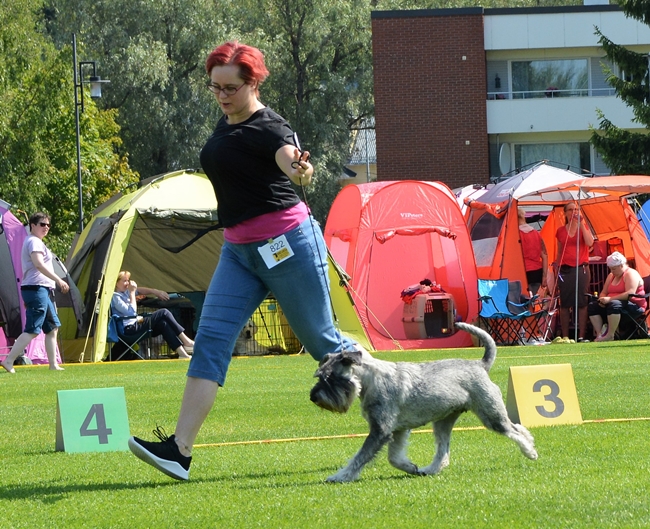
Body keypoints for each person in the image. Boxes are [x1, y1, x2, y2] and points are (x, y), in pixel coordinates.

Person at [127, 41, 362, 480]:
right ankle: (179, 451)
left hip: (287, 245)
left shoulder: (272, 127)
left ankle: (398, 401)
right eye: (215, 87)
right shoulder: (225, 123)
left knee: (323, 345)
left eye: (230, 88)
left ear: (253, 83)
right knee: (210, 342)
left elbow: (295, 164)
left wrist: (302, 169)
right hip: (238, 252)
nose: (221, 95)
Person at [1, 212, 69, 373]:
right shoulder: (33, 241)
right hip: (36, 288)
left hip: (41, 290)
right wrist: (58, 280)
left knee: (52, 327)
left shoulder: (37, 242)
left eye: (48, 225)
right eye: (42, 224)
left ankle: (53, 364)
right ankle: (9, 360)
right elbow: (38, 264)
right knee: (33, 329)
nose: (46, 227)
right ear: (33, 225)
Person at [111, 271, 194, 359]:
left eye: (128, 280)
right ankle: (186, 341)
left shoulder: (125, 292)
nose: (128, 283)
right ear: (116, 283)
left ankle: (182, 354)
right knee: (164, 312)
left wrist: (155, 291)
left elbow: (139, 290)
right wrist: (132, 293)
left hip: (135, 324)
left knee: (163, 324)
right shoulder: (115, 297)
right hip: (128, 329)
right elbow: (132, 312)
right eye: (124, 281)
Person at [553, 202, 594, 343]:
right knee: (564, 303)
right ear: (565, 213)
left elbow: (590, 243)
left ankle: (581, 335)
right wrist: (556, 267)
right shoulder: (560, 231)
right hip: (565, 269)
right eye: (570, 210)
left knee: (582, 301)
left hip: (581, 268)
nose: (573, 212)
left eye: (576, 209)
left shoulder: (583, 228)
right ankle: (565, 335)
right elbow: (559, 251)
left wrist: (581, 224)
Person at [587, 252, 646, 342]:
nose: (612, 271)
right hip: (613, 304)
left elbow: (630, 294)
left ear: (621, 265)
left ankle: (610, 335)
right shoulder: (611, 276)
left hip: (634, 306)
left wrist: (610, 299)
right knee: (593, 306)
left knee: (614, 304)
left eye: (614, 269)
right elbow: (604, 292)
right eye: (610, 269)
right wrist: (602, 300)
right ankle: (600, 334)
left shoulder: (631, 274)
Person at [518, 208, 548, 296]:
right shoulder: (536, 233)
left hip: (522, 272)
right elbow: (545, 256)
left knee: (522, 301)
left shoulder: (515, 234)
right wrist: (544, 276)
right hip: (536, 273)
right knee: (532, 300)